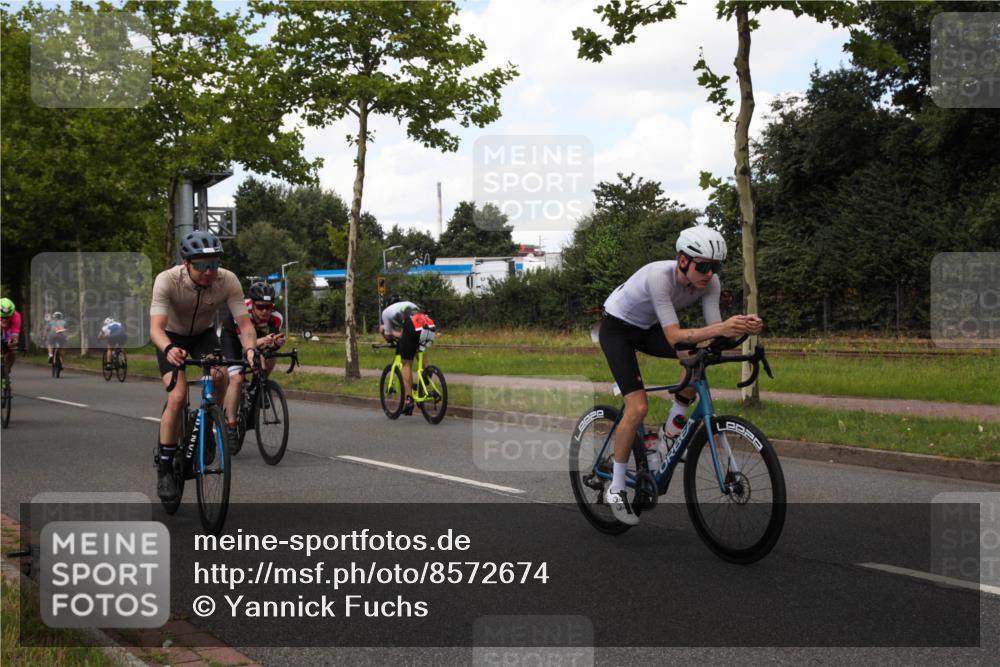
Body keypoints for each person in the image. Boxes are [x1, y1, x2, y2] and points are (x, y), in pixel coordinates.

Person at [598, 226, 763, 525]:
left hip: (647, 329)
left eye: (715, 267)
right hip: (617, 329)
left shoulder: (709, 284)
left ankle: (667, 438)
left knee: (696, 362)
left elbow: (714, 334)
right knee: (638, 407)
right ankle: (617, 487)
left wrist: (739, 330)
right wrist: (721, 327)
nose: (709, 274)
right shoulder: (658, 277)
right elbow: (674, 336)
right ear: (682, 260)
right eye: (703, 265)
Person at [149, 230, 258, 500]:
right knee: (177, 396)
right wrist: (169, 348)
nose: (209, 271)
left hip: (203, 335)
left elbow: (244, 324)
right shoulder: (167, 280)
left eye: (214, 264)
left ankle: (210, 420)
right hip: (171, 337)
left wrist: (252, 350)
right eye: (201, 265)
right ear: (187, 264)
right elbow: (156, 328)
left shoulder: (228, 280)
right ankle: (164, 468)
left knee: (221, 374)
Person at [221, 281, 284, 436]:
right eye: (260, 307)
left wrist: (275, 343)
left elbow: (271, 342)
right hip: (233, 336)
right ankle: (230, 425)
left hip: (256, 334)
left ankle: (256, 386)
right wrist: (261, 342)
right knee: (236, 379)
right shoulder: (242, 310)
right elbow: (246, 344)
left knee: (271, 357)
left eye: (268, 307)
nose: (264, 311)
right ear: (253, 304)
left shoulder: (276, 317)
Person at [378, 296, 436, 415]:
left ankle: (408, 399)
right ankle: (426, 373)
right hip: (427, 322)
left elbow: (389, 335)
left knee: (406, 364)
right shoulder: (410, 305)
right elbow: (408, 332)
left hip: (412, 325)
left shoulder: (386, 312)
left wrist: (384, 331)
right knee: (419, 350)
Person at [1, 297, 21, 376]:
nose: (5, 319)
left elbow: (15, 336)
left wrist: (12, 342)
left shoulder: (16, 316)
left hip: (8, 333)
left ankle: (6, 371)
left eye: (7, 317)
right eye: (2, 317)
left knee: (13, 350)